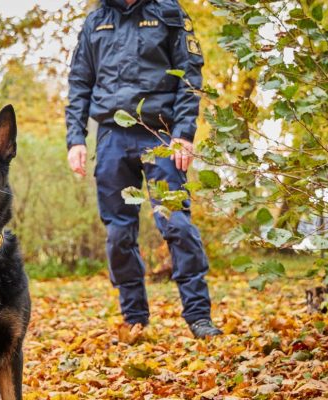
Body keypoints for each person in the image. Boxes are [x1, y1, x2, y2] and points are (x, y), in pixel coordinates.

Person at [65, 0, 221, 338]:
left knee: (176, 223)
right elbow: (79, 83)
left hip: (160, 134)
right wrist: (76, 139)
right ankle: (135, 319)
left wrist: (184, 134)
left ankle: (199, 317)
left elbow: (189, 73)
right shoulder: (96, 22)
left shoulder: (168, 12)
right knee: (119, 234)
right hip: (110, 139)